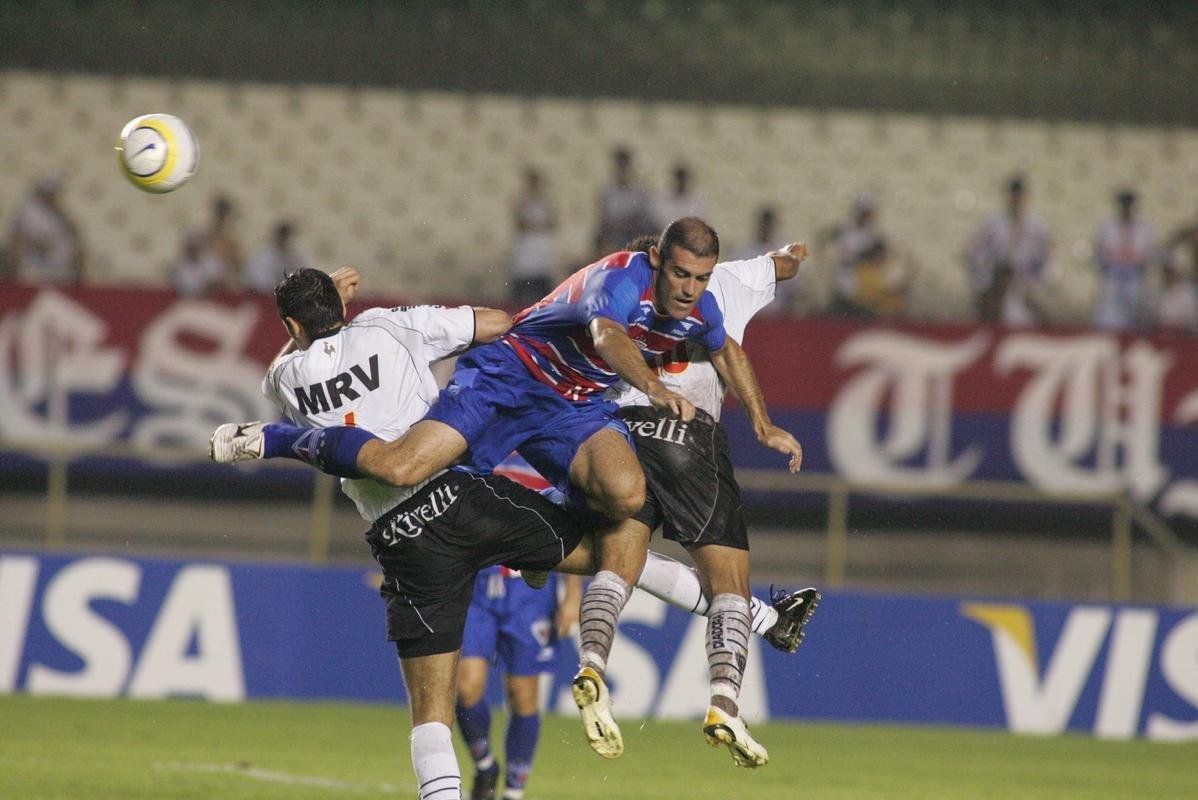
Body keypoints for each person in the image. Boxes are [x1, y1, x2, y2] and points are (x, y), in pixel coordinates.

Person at [212, 222, 804, 760]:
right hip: (501, 386)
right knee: (408, 466)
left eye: (700, 277)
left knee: (624, 504)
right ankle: (272, 441)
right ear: (655, 260)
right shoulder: (618, 280)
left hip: (557, 415)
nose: (690, 287)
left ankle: (751, 612)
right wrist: (646, 381)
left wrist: (763, 416)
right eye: (679, 273)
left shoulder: (284, 373)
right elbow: (584, 334)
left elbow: (749, 311)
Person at [609, 235, 816, 767]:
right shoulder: (734, 280)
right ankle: (745, 660)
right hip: (690, 441)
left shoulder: (624, 282)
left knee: (605, 555)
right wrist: (789, 254)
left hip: (620, 436)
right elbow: (784, 268)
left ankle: (765, 622)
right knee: (725, 578)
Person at [455, 565, 581, 800]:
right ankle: (485, 766)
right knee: (466, 688)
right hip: (477, 583)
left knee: (522, 695)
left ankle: (513, 792)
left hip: (530, 588)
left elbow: (571, 529)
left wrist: (573, 593)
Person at [965, 175, 1052, 325]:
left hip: (1022, 286)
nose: (1017, 199)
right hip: (996, 286)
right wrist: (985, 281)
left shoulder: (1036, 227)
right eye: (1014, 195)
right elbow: (974, 253)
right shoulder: (993, 224)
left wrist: (1033, 281)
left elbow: (1045, 257)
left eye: (1020, 195)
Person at [1094, 189, 1157, 331]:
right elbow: (1100, 255)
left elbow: (1150, 257)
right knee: (1110, 318)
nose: (1126, 208)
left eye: (1128, 204)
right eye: (1123, 204)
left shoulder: (1145, 229)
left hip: (1136, 279)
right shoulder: (1107, 227)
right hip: (1113, 280)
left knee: (1136, 319)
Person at [5, 176, 85, 284]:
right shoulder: (27, 213)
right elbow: (16, 240)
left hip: (62, 272)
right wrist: (35, 244)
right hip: (34, 271)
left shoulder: (60, 214)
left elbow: (74, 238)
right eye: (50, 192)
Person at [509, 168, 558, 307]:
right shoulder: (521, 202)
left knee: (544, 285)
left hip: (542, 247)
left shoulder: (547, 203)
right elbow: (518, 223)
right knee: (523, 282)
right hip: (526, 246)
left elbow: (554, 223)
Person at [593, 147, 653, 256]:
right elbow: (604, 218)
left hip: (634, 233)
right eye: (619, 166)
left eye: (624, 166)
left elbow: (644, 216)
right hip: (614, 233)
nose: (621, 169)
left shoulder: (639, 190)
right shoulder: (607, 191)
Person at [244, 221, 309, 294]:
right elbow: (258, 280)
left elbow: (304, 275)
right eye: (282, 235)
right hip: (265, 295)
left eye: (287, 236)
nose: (284, 239)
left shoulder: (296, 254)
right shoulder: (264, 255)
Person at [170, 230, 229, 298]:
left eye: (198, 246)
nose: (195, 249)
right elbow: (186, 288)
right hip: (190, 302)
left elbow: (221, 278)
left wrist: (213, 284)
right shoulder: (180, 265)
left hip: (213, 301)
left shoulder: (210, 259)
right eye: (192, 247)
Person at [652, 164, 704, 230]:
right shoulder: (664, 197)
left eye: (683, 180)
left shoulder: (694, 200)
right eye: (679, 179)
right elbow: (659, 219)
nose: (681, 182)